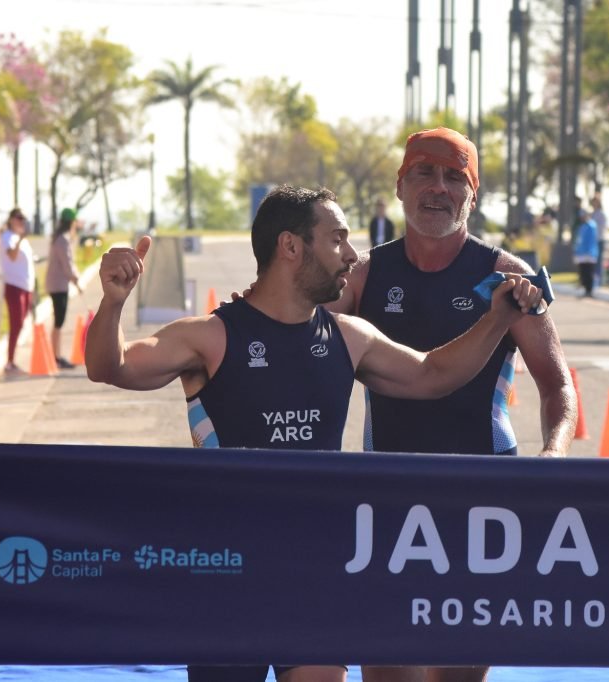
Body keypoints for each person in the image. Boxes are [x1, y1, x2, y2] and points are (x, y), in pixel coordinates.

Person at [85, 185, 543, 682]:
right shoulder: (210, 337)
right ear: (290, 246)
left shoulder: (349, 336)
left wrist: (498, 318)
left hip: (313, 568)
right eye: (337, 239)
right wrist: (113, 303)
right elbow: (112, 366)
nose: (351, 255)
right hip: (225, 571)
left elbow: (433, 375)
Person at [317, 127, 578, 682]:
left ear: (472, 195)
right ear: (400, 186)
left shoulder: (508, 277)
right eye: (424, 173)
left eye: (454, 178)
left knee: (456, 673)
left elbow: (557, 385)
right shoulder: (364, 275)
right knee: (388, 669)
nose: (438, 188)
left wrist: (554, 454)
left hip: (482, 493)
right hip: (388, 492)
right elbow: (297, 334)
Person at [0, 207, 36, 375]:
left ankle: (12, 359)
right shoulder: (7, 237)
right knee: (16, 323)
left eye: (23, 218)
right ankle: (10, 361)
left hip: (26, 285)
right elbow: (12, 255)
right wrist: (20, 239)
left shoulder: (22, 239)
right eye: (19, 218)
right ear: (11, 219)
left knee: (21, 323)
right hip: (14, 285)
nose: (22, 221)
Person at [46, 207, 84, 368]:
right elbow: (67, 265)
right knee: (59, 322)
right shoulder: (63, 240)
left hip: (56, 284)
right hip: (59, 285)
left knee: (58, 321)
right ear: (72, 222)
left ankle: (56, 355)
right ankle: (56, 356)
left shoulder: (59, 238)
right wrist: (77, 280)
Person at [573, 212, 599, 297]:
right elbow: (579, 240)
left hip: (589, 253)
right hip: (582, 253)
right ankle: (586, 289)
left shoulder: (591, 226)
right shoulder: (582, 227)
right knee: (583, 271)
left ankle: (590, 290)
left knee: (589, 272)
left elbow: (591, 241)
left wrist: (588, 251)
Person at [589, 193, 607, 287]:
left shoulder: (601, 214)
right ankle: (593, 281)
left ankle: (599, 281)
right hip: (593, 242)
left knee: (599, 261)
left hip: (599, 240)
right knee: (592, 262)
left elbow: (601, 229)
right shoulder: (592, 214)